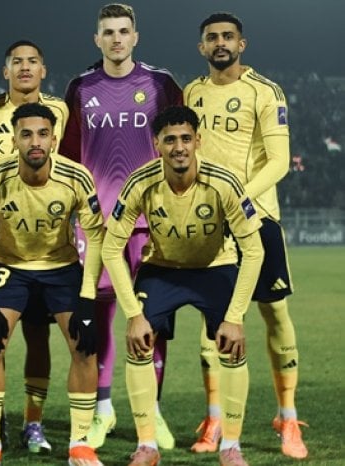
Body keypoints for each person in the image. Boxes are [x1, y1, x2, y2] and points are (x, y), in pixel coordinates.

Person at [102, 105, 264, 466]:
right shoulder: (140, 182)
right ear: (156, 144)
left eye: (186, 139)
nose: (179, 147)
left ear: (198, 141)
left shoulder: (223, 182)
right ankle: (147, 446)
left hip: (215, 268)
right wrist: (133, 315)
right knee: (139, 342)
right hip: (163, 269)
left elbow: (254, 250)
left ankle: (230, 447)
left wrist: (235, 316)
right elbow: (111, 248)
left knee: (232, 347)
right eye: (170, 139)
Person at [58, 2, 182, 450]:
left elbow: (181, 146)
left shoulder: (161, 84)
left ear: (135, 37)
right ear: (97, 39)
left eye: (123, 31)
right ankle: (103, 409)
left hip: (152, 223)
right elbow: (69, 158)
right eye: (108, 32)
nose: (116, 39)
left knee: (152, 318)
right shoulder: (81, 87)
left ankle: (153, 412)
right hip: (97, 225)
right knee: (98, 319)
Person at [183, 12, 307, 458]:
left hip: (257, 218)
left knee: (274, 312)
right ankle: (215, 416)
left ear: (242, 44)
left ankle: (287, 417)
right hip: (209, 223)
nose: (220, 43)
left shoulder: (265, 91)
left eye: (228, 37)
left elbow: (279, 161)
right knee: (211, 321)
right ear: (202, 47)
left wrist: (237, 198)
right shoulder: (192, 93)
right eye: (212, 37)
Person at [0, 103, 105, 466]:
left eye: (43, 134)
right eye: (26, 134)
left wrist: (87, 298)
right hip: (11, 268)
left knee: (85, 347)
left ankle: (79, 444)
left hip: (61, 269)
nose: (35, 142)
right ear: (13, 140)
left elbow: (96, 237)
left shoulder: (76, 177)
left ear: (54, 140)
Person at [0, 39, 69, 455]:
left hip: (44, 244)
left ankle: (33, 423)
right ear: (5, 70)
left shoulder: (59, 109)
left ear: (43, 70)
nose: (25, 68)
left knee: (38, 336)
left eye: (32, 62)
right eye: (17, 62)